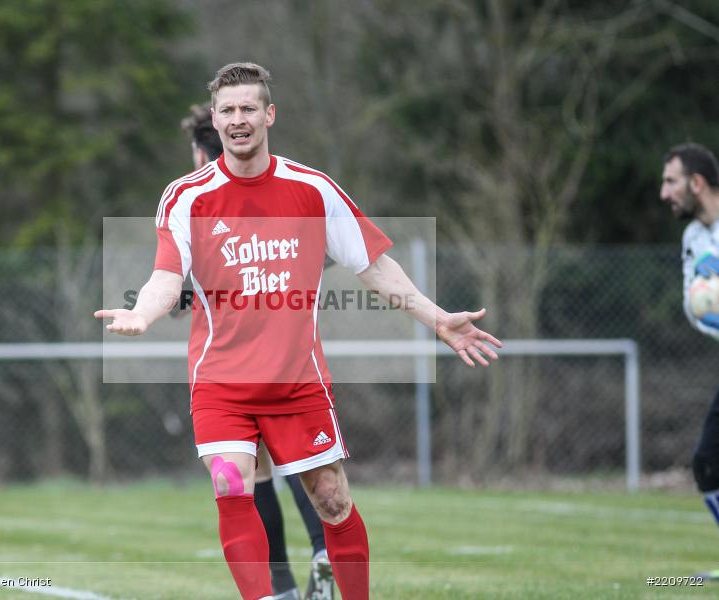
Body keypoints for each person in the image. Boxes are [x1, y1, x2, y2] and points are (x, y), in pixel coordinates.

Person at [96, 62, 502, 600]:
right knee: (231, 484)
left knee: (332, 499)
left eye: (248, 108)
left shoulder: (312, 189)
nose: (238, 119)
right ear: (214, 122)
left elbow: (373, 265)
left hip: (297, 380)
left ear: (269, 114)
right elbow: (167, 277)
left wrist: (438, 319)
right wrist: (142, 315)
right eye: (227, 110)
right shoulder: (185, 197)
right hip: (222, 381)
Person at [181, 102, 335, 600]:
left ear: (206, 154)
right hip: (290, 355)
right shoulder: (286, 190)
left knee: (252, 473)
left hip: (236, 365)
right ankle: (319, 552)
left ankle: (282, 584)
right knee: (291, 463)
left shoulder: (204, 198)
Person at [660, 143, 719, 579]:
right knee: (708, 462)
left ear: (696, 183)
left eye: (671, 181)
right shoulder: (693, 239)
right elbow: (693, 307)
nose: (664, 193)